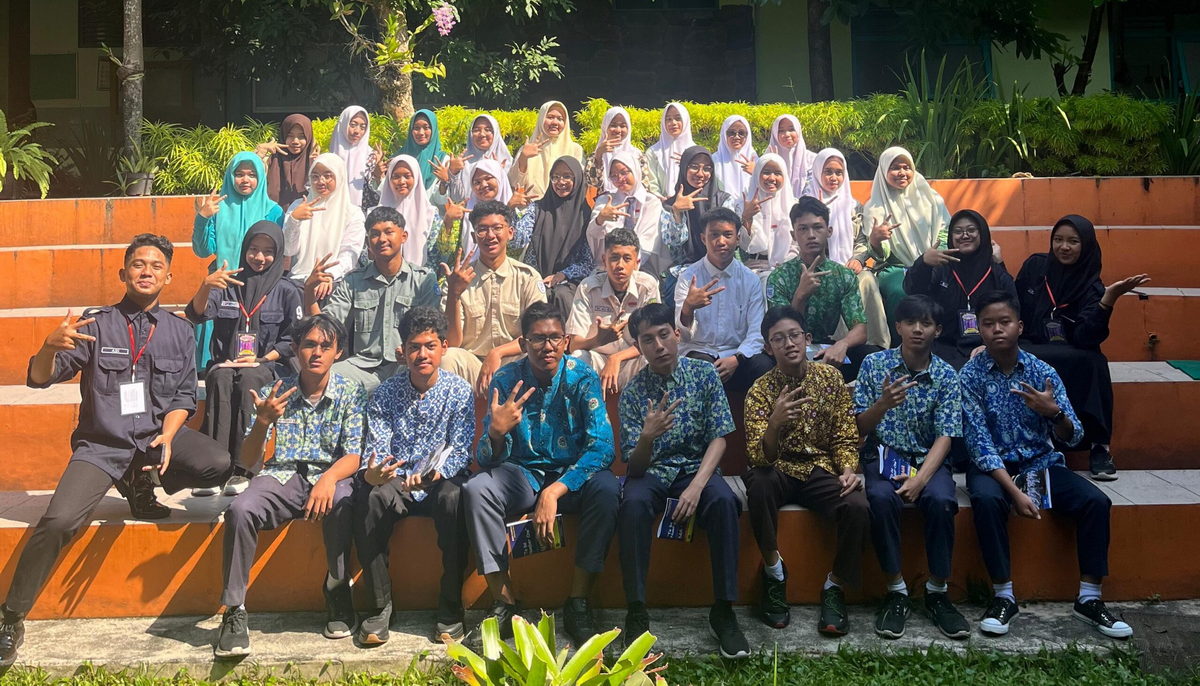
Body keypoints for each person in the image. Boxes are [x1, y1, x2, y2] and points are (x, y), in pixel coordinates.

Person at [1, 235, 232, 667]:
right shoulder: (95, 325)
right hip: (102, 445)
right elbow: (40, 379)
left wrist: (169, 436)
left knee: (217, 464)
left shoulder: (180, 331)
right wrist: (48, 348)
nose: (147, 271)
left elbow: (184, 397)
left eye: (156, 266)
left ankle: (140, 481)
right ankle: (10, 617)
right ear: (124, 273)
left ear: (169, 277)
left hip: (154, 438)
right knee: (59, 520)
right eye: (138, 264)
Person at [960, 290, 1133, 640]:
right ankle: (1003, 596)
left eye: (1005, 322)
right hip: (993, 468)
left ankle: (1089, 598)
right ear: (979, 328)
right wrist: (1014, 492)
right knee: (988, 500)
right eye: (988, 324)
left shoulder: (1042, 372)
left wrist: (1053, 414)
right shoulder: (970, 375)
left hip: (1040, 464)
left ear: (1020, 326)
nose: (997, 329)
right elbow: (979, 445)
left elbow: (1074, 435)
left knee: (1095, 502)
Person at [464, 302, 620, 647]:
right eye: (537, 339)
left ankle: (578, 603)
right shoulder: (506, 380)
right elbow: (484, 458)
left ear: (566, 341)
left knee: (607, 489)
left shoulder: (582, 377)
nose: (547, 347)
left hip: (572, 477)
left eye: (554, 338)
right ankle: (504, 604)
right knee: (477, 489)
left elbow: (603, 447)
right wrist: (496, 433)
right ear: (523, 343)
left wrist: (555, 491)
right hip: (522, 474)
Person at [213, 314, 367, 658]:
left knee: (344, 499)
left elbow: (354, 454)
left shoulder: (351, 392)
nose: (317, 352)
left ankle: (337, 587)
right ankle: (234, 609)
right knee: (240, 509)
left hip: (331, 474)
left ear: (338, 352)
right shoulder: (275, 392)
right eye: (309, 344)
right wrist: (262, 422)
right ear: (295, 348)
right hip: (282, 476)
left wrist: (328, 478)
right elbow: (249, 460)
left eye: (325, 346)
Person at [617, 302, 749, 659]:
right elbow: (635, 467)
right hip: (653, 471)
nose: (659, 346)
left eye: (664, 335)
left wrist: (697, 486)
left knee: (724, 501)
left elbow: (719, 439)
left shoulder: (703, 375)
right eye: (648, 340)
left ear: (677, 334)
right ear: (639, 347)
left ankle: (724, 611)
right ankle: (636, 610)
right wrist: (647, 437)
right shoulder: (633, 392)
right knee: (632, 504)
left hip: (696, 468)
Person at [742, 305, 868, 637]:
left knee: (857, 504)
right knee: (759, 482)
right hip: (778, 468)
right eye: (778, 339)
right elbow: (758, 456)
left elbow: (844, 435)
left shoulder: (830, 378)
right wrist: (774, 424)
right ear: (768, 348)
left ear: (807, 339)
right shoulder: (760, 390)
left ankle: (835, 586)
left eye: (794, 335)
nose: (788, 344)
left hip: (819, 468)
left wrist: (847, 470)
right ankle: (773, 573)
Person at [354, 307, 474, 644]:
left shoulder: (459, 391)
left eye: (430, 346)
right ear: (403, 351)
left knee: (456, 498)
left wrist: (436, 474)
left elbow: (461, 448)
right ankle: (380, 607)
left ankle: (450, 607)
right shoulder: (385, 393)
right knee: (371, 498)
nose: (422, 355)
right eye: (414, 347)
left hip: (440, 480)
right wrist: (376, 473)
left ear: (443, 347)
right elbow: (377, 447)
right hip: (398, 480)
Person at [853, 295, 968, 640]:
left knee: (941, 500)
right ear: (898, 327)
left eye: (926, 323)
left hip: (928, 460)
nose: (918, 329)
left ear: (938, 330)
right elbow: (859, 427)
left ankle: (937, 591)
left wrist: (920, 479)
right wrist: (882, 405)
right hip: (883, 457)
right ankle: (896, 591)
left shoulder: (946, 374)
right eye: (910, 322)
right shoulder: (874, 365)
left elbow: (946, 435)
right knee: (880, 498)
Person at [1014, 215, 1150, 481]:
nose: (1064, 247)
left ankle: (1100, 447)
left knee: (1094, 362)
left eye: (1073, 241)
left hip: (1073, 349)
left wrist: (1107, 300)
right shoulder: (1035, 266)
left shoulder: (1092, 286)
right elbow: (1013, 305)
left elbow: (1086, 337)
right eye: (1058, 239)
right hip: (1032, 345)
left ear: (1085, 245)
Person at [186, 221, 302, 496]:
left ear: (278, 253)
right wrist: (205, 286)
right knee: (220, 377)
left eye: (268, 251)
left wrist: (261, 359)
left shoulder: (286, 290)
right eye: (253, 249)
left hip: (269, 365)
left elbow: (293, 339)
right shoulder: (227, 284)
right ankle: (213, 469)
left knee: (249, 379)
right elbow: (197, 314)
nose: (259, 257)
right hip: (227, 363)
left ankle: (243, 469)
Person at [303, 206, 440, 394]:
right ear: (368, 242)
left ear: (404, 236)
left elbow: (434, 330)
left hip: (409, 364)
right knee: (325, 377)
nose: (382, 239)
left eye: (389, 232)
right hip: (362, 368)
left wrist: (411, 350)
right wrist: (309, 293)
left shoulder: (423, 279)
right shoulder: (353, 281)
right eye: (375, 234)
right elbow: (325, 329)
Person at [439, 200, 547, 391]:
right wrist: (454, 295)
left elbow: (537, 334)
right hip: (473, 364)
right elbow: (452, 342)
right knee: (447, 357)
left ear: (510, 232)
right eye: (482, 229)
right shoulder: (459, 279)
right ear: (474, 236)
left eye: (497, 228)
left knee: (537, 355)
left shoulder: (528, 277)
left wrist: (498, 353)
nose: (490, 235)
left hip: (514, 361)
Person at [766, 196, 875, 380]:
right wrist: (800, 296)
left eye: (817, 227)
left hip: (826, 350)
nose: (811, 235)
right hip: (790, 349)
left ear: (829, 231)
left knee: (870, 355)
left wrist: (842, 344)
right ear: (793, 235)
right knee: (764, 363)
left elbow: (860, 329)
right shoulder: (779, 277)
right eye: (803, 229)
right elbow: (780, 330)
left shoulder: (843, 275)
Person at [192, 151, 284, 369]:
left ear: (261, 177)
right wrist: (203, 218)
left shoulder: (273, 211)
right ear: (230, 176)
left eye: (252, 174)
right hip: (223, 280)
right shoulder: (217, 208)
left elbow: (276, 251)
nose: (245, 180)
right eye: (239, 174)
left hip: (258, 284)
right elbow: (203, 251)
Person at [854, 146, 951, 347]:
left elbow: (945, 229)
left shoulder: (931, 198)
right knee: (899, 291)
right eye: (895, 168)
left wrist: (936, 252)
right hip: (897, 267)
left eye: (907, 167)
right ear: (884, 171)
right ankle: (900, 347)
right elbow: (879, 257)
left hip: (933, 262)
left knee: (945, 287)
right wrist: (876, 240)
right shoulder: (875, 206)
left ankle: (943, 344)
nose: (902, 172)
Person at [674, 208, 772, 393]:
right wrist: (688, 307)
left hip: (738, 352)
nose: (721, 241)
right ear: (703, 239)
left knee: (763, 365)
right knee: (701, 367)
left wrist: (736, 358)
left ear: (738, 239)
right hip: (700, 350)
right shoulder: (688, 277)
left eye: (728, 235)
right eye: (714, 235)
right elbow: (683, 336)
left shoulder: (750, 279)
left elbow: (756, 332)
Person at [903, 209, 1015, 369]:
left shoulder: (996, 273)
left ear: (982, 234)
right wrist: (923, 263)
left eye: (971, 230)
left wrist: (988, 346)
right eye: (958, 231)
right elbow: (913, 292)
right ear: (951, 236)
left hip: (990, 348)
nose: (965, 235)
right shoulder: (941, 268)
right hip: (942, 349)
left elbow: (1012, 314)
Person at [567, 228, 660, 397]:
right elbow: (573, 344)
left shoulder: (647, 286)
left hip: (633, 359)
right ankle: (581, 412)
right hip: (598, 359)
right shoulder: (588, 287)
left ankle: (649, 409)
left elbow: (654, 339)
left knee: (652, 358)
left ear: (637, 262)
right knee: (576, 359)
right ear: (604, 260)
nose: (620, 266)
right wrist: (599, 339)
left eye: (627, 259)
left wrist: (616, 358)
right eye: (614, 258)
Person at [512, 156, 594, 318]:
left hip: (569, 282)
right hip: (536, 279)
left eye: (567, 176)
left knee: (562, 295)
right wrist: (512, 210)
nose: (560, 182)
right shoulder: (537, 209)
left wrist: (563, 275)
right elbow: (517, 242)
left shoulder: (586, 215)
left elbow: (587, 263)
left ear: (577, 179)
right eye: (555, 177)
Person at [429, 159, 534, 271]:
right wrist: (448, 221)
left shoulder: (516, 210)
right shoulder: (463, 211)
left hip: (504, 274)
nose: (483, 185)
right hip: (467, 273)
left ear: (500, 179)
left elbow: (517, 246)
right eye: (477, 182)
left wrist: (509, 210)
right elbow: (444, 250)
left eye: (488, 178)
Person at [283, 153, 366, 291]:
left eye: (327, 176)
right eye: (315, 176)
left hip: (335, 282)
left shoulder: (352, 213)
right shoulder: (299, 206)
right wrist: (294, 220)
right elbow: (288, 250)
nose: (320, 181)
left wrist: (329, 275)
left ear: (339, 177)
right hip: (298, 280)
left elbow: (350, 254)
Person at [588, 152, 670, 278]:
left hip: (642, 267)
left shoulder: (651, 202)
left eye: (624, 172)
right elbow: (592, 235)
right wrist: (600, 219)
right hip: (606, 266)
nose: (620, 179)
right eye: (614, 176)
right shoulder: (605, 200)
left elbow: (647, 241)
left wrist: (628, 267)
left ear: (635, 170)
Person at [661, 146, 737, 269]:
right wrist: (677, 213)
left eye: (707, 169)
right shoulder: (670, 205)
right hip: (683, 268)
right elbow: (673, 242)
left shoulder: (723, 200)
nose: (700, 174)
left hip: (720, 266)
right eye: (694, 167)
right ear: (684, 168)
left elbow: (728, 239)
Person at [368, 155, 439, 267]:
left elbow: (435, 255)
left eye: (407, 176)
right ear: (388, 179)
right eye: (396, 176)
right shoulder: (375, 215)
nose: (401, 181)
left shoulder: (430, 215)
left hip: (421, 275)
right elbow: (367, 255)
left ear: (416, 178)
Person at [739, 153, 798, 278]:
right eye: (766, 172)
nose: (772, 178)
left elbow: (797, 244)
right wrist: (747, 217)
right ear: (757, 174)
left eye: (778, 173)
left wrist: (786, 264)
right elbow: (743, 246)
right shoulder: (744, 203)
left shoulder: (794, 206)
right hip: (754, 267)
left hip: (787, 269)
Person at [510, 100, 584, 197]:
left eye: (560, 119)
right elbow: (514, 183)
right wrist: (523, 158)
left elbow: (579, 182)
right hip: (533, 203)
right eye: (550, 117)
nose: (555, 122)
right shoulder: (527, 149)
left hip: (564, 203)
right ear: (541, 119)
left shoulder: (575, 149)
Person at [801, 148, 858, 266]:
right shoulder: (804, 206)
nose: (834, 178)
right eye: (828, 172)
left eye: (839, 173)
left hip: (848, 266)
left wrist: (857, 259)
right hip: (813, 266)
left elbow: (861, 240)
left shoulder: (853, 205)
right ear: (818, 172)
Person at [448, 114, 513, 203]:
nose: (482, 134)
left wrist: (499, 173)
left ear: (496, 133)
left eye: (488, 130)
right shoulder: (463, 163)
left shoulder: (507, 161)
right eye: (476, 130)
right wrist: (454, 173)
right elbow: (457, 198)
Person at [584, 106, 649, 194]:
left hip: (632, 200)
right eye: (613, 125)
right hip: (604, 201)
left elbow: (644, 185)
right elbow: (593, 184)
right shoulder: (594, 156)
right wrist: (599, 156)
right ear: (605, 127)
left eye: (623, 126)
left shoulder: (637, 155)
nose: (618, 130)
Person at [261, 113, 317, 213]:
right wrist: (259, 153)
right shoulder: (270, 161)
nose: (295, 141)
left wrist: (317, 165)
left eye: (301, 136)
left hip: (307, 219)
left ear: (308, 137)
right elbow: (249, 175)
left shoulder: (315, 163)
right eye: (290, 135)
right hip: (273, 218)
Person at [644, 102, 695, 197]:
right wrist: (661, 199)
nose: (673, 123)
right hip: (661, 203)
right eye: (668, 119)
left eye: (678, 118)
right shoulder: (653, 152)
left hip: (691, 201)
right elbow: (651, 182)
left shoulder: (696, 152)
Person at [329, 105, 376, 208]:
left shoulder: (371, 156)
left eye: (363, 127)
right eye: (353, 125)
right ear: (343, 124)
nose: (357, 131)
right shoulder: (330, 157)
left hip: (362, 211)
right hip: (333, 208)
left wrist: (378, 173)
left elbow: (376, 189)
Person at [765, 114, 815, 197]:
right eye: (781, 130)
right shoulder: (767, 158)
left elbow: (813, 188)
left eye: (792, 129)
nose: (787, 134)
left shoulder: (812, 159)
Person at [712, 115, 757, 199]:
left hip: (751, 206)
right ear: (724, 134)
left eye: (741, 133)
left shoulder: (755, 160)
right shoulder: (714, 160)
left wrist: (756, 172)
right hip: (722, 206)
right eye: (731, 133)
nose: (737, 137)